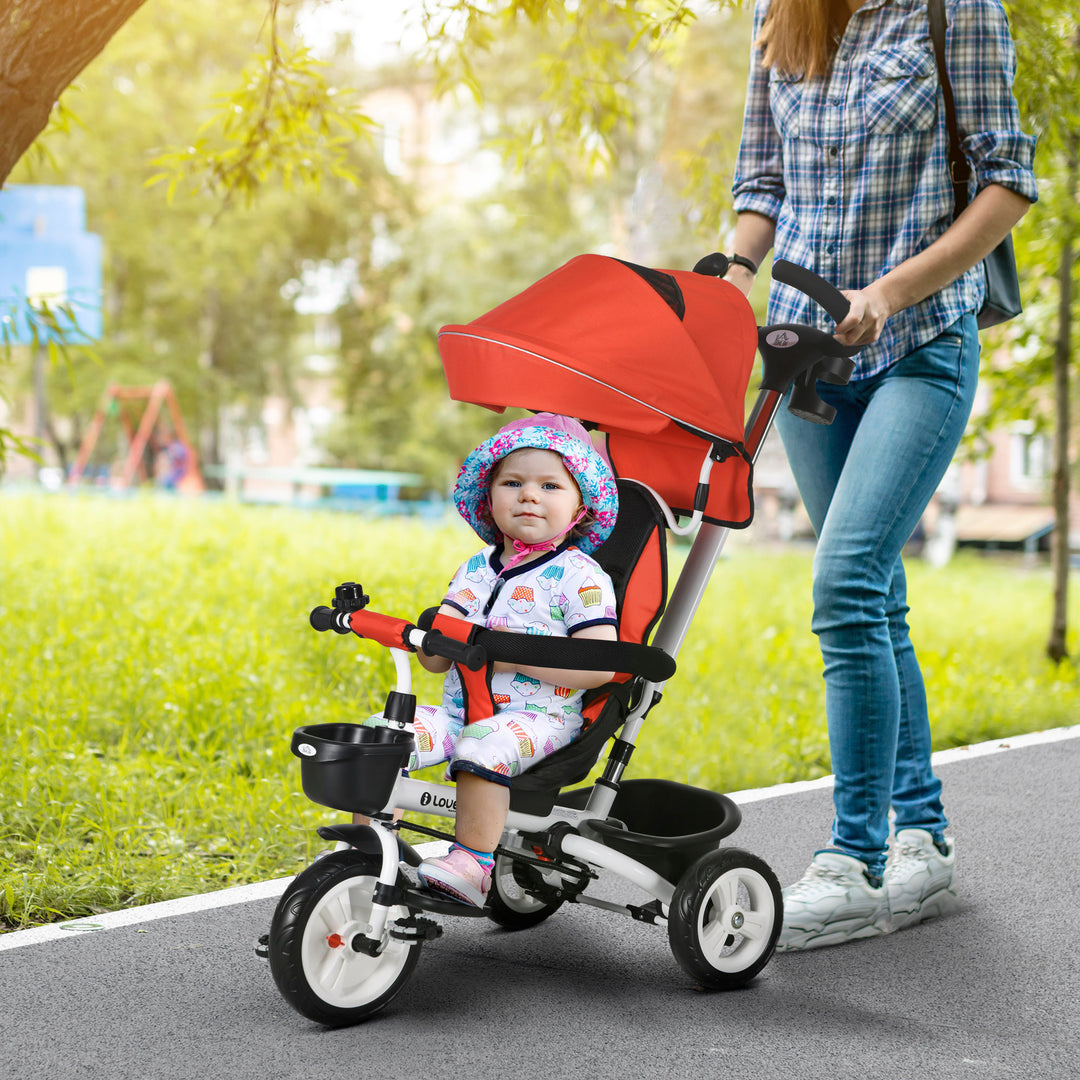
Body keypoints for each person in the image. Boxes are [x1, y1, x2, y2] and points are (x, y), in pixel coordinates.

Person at [724, 0, 1037, 950]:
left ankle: (850, 860)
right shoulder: (781, 15)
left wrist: (893, 291)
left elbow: (1008, 183)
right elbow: (762, 178)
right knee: (877, 598)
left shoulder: (956, 10)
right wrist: (728, 273)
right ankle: (924, 842)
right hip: (810, 349)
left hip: (918, 341)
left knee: (848, 582)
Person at [368, 414, 620, 907]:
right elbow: (436, 665)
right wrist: (430, 639)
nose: (529, 495)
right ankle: (372, 849)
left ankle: (472, 863)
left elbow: (600, 665)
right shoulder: (475, 569)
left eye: (550, 485)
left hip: (540, 718)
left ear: (580, 508)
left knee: (483, 744)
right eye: (514, 483)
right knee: (382, 735)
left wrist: (512, 658)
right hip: (460, 713)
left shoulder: (580, 576)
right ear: (490, 498)